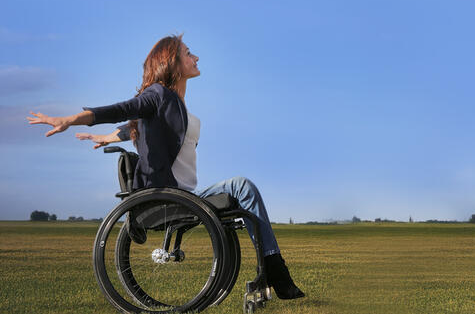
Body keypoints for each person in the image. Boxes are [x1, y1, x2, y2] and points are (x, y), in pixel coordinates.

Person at [27, 34, 304, 300]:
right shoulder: (157, 94)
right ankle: (277, 272)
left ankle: (273, 269)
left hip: (187, 194)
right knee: (242, 186)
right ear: (172, 62)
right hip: (169, 197)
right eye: (188, 53)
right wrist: (71, 119)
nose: (196, 57)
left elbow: (133, 126)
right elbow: (124, 109)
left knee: (243, 189)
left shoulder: (173, 104)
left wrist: (106, 137)